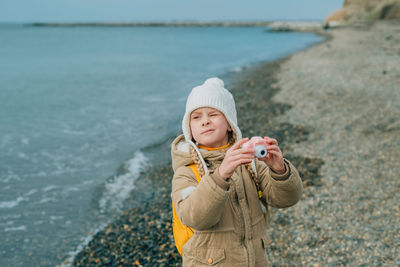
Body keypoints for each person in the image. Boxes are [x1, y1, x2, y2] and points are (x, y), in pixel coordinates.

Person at [171, 77, 303, 266]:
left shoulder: (249, 162)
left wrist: (279, 170)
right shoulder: (186, 170)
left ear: (230, 124)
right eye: (196, 117)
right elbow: (194, 217)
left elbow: (286, 199)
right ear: (189, 128)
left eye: (213, 114)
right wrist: (219, 177)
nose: (205, 121)